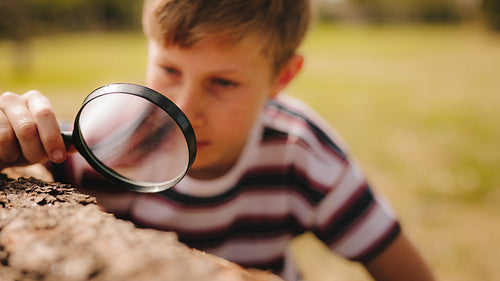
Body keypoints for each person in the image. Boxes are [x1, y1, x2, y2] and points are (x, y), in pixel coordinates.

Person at [0, 0, 435, 280]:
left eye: (223, 82)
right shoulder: (104, 139)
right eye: (170, 70)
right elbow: (30, 173)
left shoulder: (301, 153)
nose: (186, 107)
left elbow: (404, 269)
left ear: (281, 77)